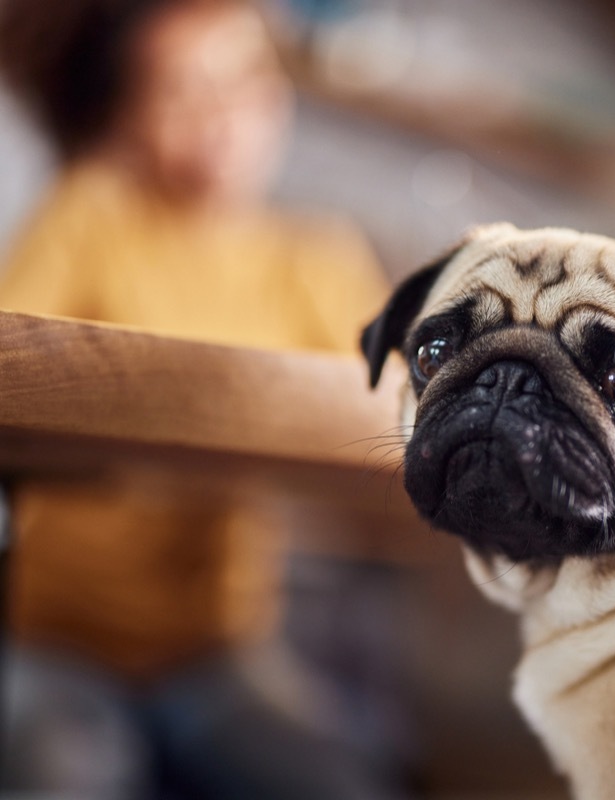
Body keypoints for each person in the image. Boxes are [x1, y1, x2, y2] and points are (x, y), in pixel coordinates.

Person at [0, 0, 394, 796]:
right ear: (128, 111)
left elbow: (392, 402)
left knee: (338, 783)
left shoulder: (315, 260)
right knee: (66, 772)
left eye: (247, 78)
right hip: (56, 641)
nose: (223, 114)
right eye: (181, 88)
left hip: (218, 650)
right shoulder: (89, 216)